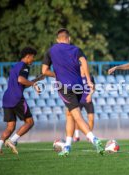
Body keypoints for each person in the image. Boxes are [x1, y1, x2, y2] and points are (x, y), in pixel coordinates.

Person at [42, 28, 104, 156]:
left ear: (57, 40)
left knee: (76, 115)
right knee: (69, 114)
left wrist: (56, 75)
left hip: (65, 87)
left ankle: (94, 139)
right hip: (79, 86)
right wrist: (88, 80)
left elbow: (44, 71)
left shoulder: (51, 50)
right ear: (68, 39)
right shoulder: (76, 49)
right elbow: (84, 62)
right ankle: (68, 147)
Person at [0, 47, 42, 154]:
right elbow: (21, 80)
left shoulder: (15, 67)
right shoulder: (24, 66)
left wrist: (36, 80)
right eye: (33, 57)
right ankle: (12, 141)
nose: (33, 59)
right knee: (30, 122)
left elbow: (21, 84)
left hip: (7, 98)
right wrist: (34, 84)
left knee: (10, 127)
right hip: (16, 98)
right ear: (28, 56)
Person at [67, 74, 95, 142]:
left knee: (91, 118)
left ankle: (89, 136)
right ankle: (77, 136)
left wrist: (90, 95)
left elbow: (93, 88)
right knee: (77, 118)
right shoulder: (76, 74)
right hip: (78, 100)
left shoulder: (89, 76)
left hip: (88, 100)